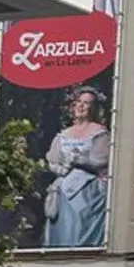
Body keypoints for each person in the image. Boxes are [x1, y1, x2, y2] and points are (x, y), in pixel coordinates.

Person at [44, 86, 111, 248]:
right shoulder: (63, 135)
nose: (81, 106)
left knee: (81, 225)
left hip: (87, 190)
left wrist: (79, 160)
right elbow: (52, 161)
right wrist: (60, 168)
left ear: (93, 108)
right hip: (63, 192)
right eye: (78, 102)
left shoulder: (99, 133)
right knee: (62, 229)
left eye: (86, 103)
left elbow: (101, 160)